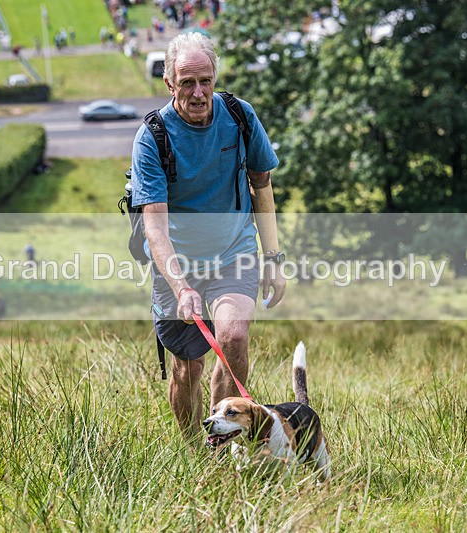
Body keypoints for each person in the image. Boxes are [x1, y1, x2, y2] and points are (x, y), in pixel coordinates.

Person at [130, 32, 286, 441]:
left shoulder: (239, 115)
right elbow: (155, 228)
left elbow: (262, 186)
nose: (199, 93)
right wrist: (181, 287)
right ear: (169, 83)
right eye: (187, 83)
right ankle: (189, 448)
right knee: (188, 366)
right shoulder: (152, 138)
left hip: (234, 252)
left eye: (206, 81)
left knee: (232, 337)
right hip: (177, 265)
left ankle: (220, 450)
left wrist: (273, 259)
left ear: (215, 77)